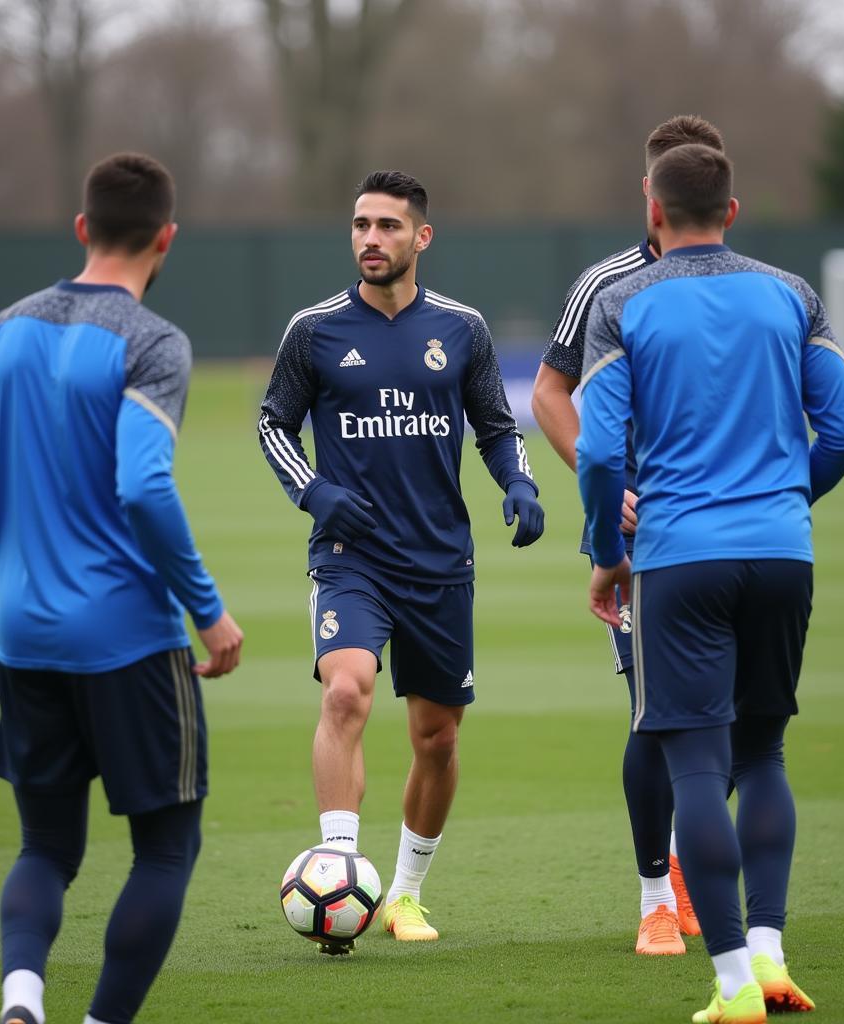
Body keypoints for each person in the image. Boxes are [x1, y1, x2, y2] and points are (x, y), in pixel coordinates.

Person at [0, 153, 244, 1024]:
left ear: (81, 229)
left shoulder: (1, 328)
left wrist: (2, 561)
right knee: (166, 849)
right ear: (167, 238)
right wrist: (208, 612)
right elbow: (144, 487)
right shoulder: (153, 342)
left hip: (25, 638)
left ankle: (22, 1000)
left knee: (46, 847)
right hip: (128, 638)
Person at [577, 143, 844, 1023]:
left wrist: (606, 549)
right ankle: (774, 961)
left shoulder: (625, 301)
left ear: (652, 212)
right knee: (765, 753)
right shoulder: (791, 293)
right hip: (783, 552)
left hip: (678, 556)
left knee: (697, 766)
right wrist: (784, 501)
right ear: (732, 212)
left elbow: (595, 451)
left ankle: (735, 983)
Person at [259, 170, 544, 946]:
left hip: (440, 561)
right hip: (350, 557)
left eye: (387, 226)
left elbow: (495, 422)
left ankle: (406, 895)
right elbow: (273, 425)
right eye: (359, 225)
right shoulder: (312, 329)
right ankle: (340, 873)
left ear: (421, 237)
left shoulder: (462, 328)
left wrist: (517, 481)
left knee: (438, 739)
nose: (370, 240)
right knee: (346, 692)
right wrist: (315, 494)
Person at [531, 114, 725, 954]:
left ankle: (689, 877)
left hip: (723, 527)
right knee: (655, 715)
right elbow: (547, 394)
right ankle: (655, 895)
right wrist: (604, 490)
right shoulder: (607, 285)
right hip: (640, 534)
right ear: (649, 196)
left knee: (717, 719)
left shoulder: (739, 282)